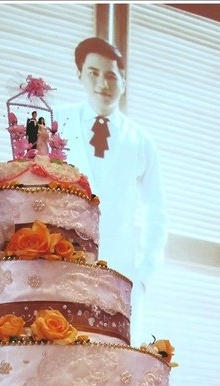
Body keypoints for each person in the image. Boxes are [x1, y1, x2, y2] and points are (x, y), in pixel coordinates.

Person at [54, 37, 167, 343]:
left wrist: (143, 275)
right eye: (93, 73)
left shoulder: (141, 140)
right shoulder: (56, 121)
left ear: (123, 81)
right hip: (60, 262)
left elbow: (157, 212)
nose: (102, 84)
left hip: (120, 271)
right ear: (80, 74)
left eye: (111, 76)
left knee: (112, 355)